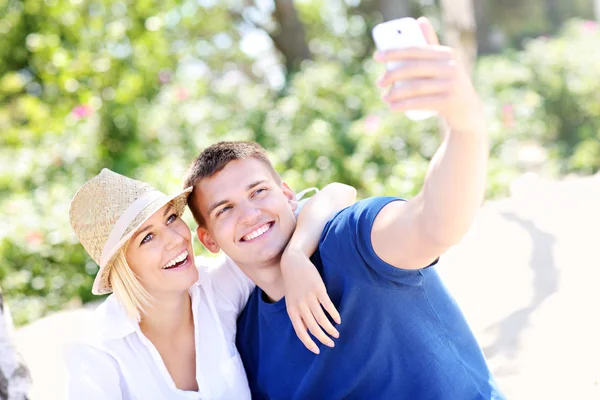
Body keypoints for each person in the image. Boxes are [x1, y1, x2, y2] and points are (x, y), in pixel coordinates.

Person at [183, 17, 505, 400]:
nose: (250, 214)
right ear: (208, 240)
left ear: (287, 194)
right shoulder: (249, 341)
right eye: (224, 210)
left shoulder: (350, 241)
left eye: (258, 191)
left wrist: (465, 125)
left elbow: (435, 224)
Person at [64, 168, 356, 399]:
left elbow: (337, 193)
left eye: (171, 219)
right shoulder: (97, 350)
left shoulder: (217, 287)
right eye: (148, 237)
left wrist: (295, 256)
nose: (176, 239)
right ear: (123, 267)